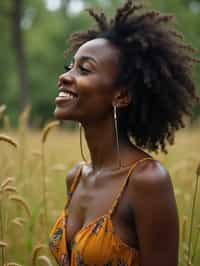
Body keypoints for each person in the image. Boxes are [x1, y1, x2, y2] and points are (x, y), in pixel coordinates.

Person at [49, 1, 199, 265]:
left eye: (84, 69)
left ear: (122, 95)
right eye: (69, 67)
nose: (65, 77)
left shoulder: (147, 181)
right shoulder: (76, 177)